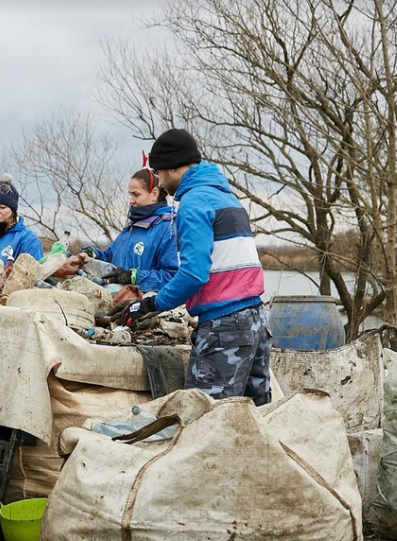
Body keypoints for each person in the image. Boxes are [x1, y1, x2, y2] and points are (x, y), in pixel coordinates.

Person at [123, 129, 271, 405]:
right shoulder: (226, 196)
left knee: (203, 420)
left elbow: (193, 273)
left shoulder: (193, 203)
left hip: (225, 327)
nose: (160, 181)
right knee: (256, 419)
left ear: (174, 166)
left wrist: (153, 304)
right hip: (256, 321)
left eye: (160, 172)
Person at [83, 168, 179, 291]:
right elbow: (110, 256)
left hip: (146, 305)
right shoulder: (132, 226)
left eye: (136, 194)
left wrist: (134, 277)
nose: (131, 200)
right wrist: (92, 255)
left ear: (154, 194)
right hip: (116, 299)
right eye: (130, 194)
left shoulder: (168, 228)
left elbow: (171, 277)